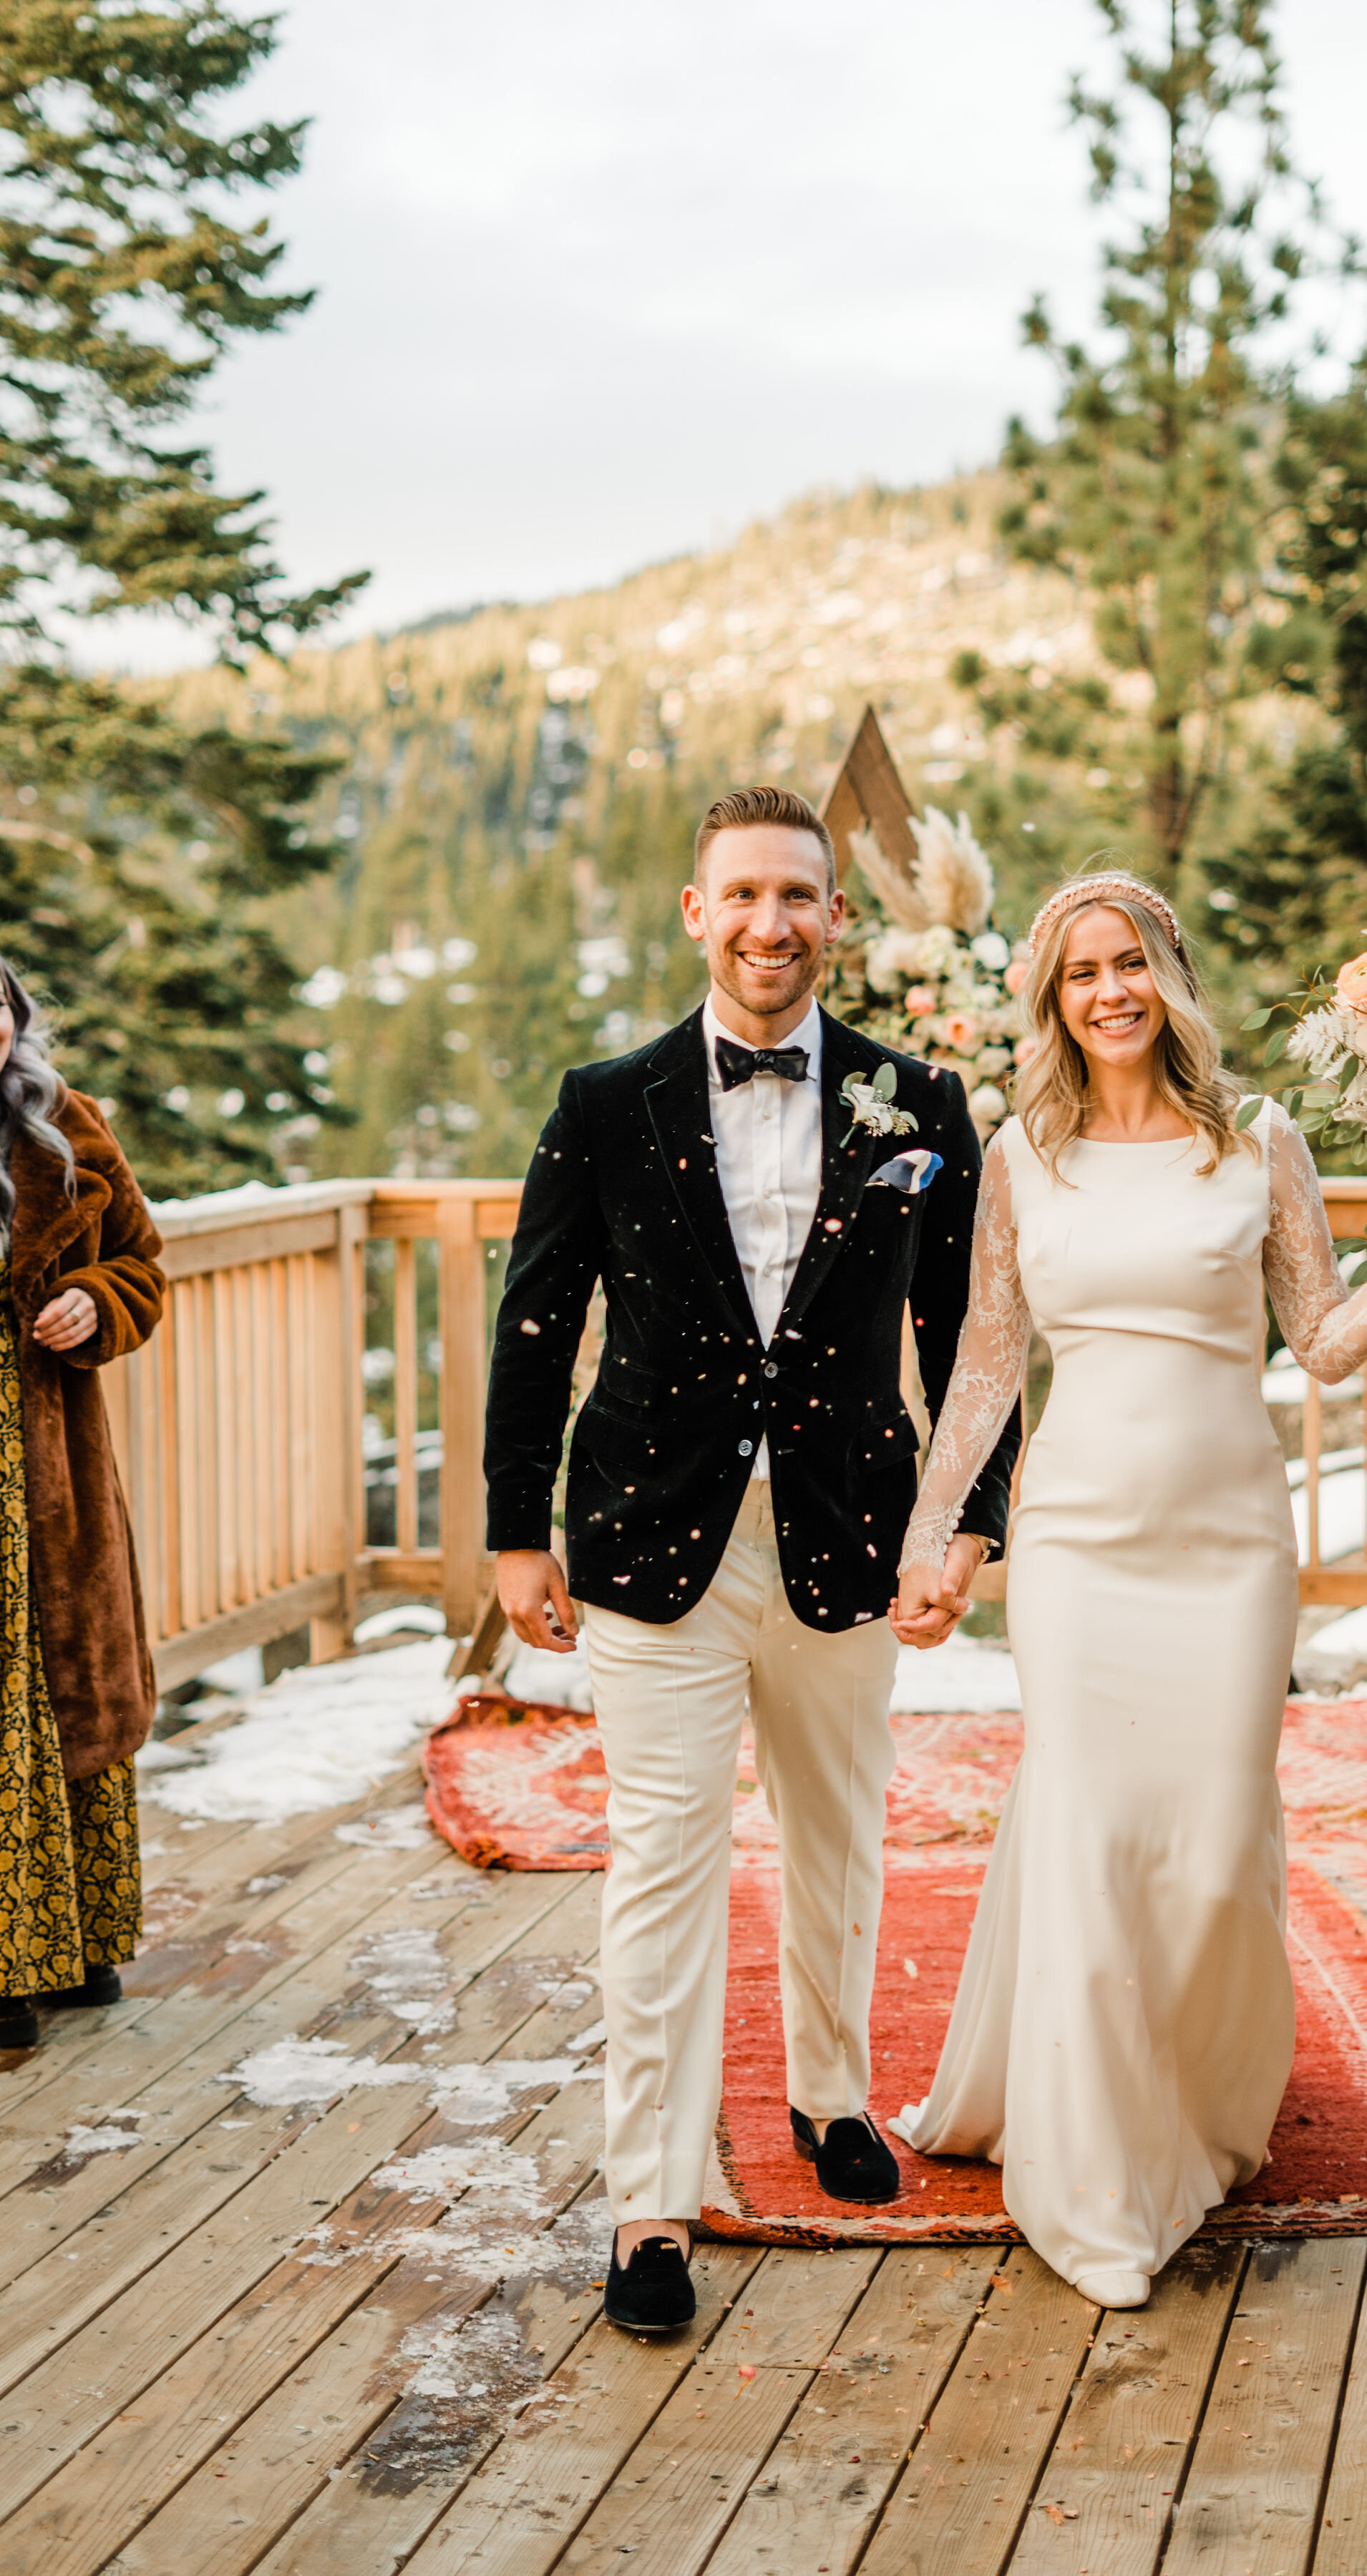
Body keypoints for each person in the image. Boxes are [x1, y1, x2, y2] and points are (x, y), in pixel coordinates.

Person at [889, 873, 1367, 2308]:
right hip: (1081, 1545)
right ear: (1052, 1000)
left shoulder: (1255, 1139)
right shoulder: (1023, 1156)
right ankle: (1093, 2181)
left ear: (1168, 974)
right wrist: (934, 1532)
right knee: (1097, 1840)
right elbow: (984, 1364)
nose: (1110, 991)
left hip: (1227, 1546)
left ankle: (1203, 2114)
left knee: (1213, 1853)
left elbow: (1319, 1341)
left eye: (1131, 963)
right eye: (1081, 972)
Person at [484, 784, 1017, 2335]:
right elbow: (539, 1321)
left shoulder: (918, 1102)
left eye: (801, 894)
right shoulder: (602, 1101)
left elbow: (974, 1338)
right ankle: (651, 2198)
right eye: (745, 895)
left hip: (850, 1527)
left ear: (839, 917)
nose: (772, 923)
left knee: (841, 1834)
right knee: (662, 1868)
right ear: (695, 913)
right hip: (655, 1536)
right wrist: (519, 1528)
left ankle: (831, 2092)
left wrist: (969, 1522)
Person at [0, 962, 165, 2054]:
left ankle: (83, 1940)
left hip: (46, 1455)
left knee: (65, 1685)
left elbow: (144, 1266)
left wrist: (92, 1303)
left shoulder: (66, 1123)